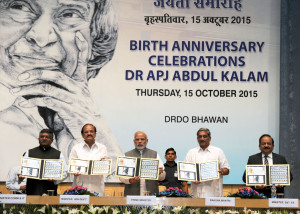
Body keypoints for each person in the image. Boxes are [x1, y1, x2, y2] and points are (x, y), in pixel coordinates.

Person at [0, 0, 122, 181]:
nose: (41, 38)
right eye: (19, 7)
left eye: (69, 14)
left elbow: (116, 193)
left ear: (94, 38)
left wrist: (90, 123)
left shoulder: (72, 122)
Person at [184, 128, 230, 197]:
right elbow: (185, 172)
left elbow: (227, 170)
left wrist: (221, 171)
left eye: (204, 136)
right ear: (197, 139)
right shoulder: (191, 152)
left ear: (209, 138)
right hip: (196, 194)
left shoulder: (218, 152)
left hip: (213, 194)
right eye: (200, 136)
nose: (202, 138)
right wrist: (192, 179)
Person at [22, 129, 68, 195]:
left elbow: (65, 172)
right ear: (39, 139)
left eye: (47, 137)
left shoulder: (58, 154)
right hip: (32, 190)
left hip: (50, 190)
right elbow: (23, 170)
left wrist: (55, 179)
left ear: (52, 140)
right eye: (42, 136)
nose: (44, 138)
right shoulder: (29, 153)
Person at [119, 131, 166, 196]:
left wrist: (159, 173)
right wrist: (129, 180)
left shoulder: (155, 154)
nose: (140, 141)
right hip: (132, 194)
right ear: (134, 141)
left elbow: (163, 177)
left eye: (142, 139)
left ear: (147, 141)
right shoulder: (126, 155)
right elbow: (121, 177)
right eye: (137, 139)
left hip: (151, 194)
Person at [69, 124, 108, 196]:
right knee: (79, 207)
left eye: (91, 131)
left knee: (99, 207)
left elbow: (107, 166)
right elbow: (71, 166)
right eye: (86, 132)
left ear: (95, 134)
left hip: (97, 188)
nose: (89, 133)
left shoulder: (102, 148)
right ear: (82, 135)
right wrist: (74, 171)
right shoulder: (76, 148)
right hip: (80, 188)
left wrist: (104, 164)